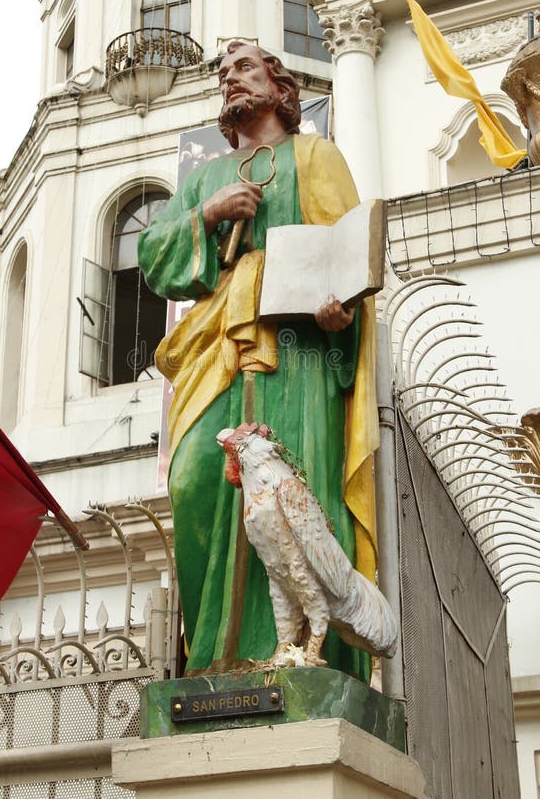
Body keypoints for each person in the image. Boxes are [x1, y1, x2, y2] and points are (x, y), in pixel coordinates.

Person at [138, 42, 379, 679]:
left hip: (298, 356)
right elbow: (156, 254)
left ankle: (307, 657)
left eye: (244, 68)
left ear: (279, 84)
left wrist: (341, 312)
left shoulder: (315, 157)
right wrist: (209, 214)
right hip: (218, 348)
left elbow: (347, 255)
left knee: (298, 504)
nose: (230, 80)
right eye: (223, 74)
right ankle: (213, 657)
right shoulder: (207, 176)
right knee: (193, 481)